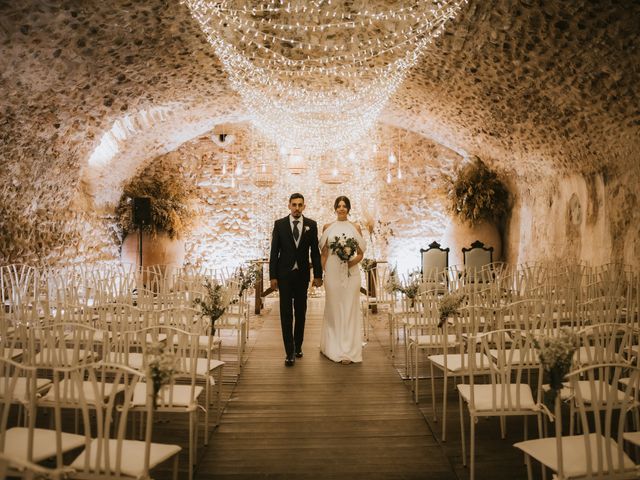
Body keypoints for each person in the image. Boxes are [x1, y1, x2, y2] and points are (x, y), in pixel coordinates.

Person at [269, 193, 323, 366]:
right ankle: (289, 352)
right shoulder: (279, 225)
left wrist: (318, 275)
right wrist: (273, 276)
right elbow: (274, 252)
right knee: (286, 314)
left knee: (301, 313)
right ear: (289, 206)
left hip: (302, 277)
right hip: (284, 276)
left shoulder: (311, 225)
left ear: (304, 207)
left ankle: (298, 346)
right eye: (294, 205)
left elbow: (315, 252)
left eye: (300, 205)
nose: (297, 208)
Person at [319, 196, 366, 364]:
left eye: (344, 206)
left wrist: (349, 262)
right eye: (338, 206)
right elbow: (324, 253)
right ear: (334, 208)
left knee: (349, 308)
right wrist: (320, 274)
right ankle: (332, 346)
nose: (341, 208)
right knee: (333, 308)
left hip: (351, 274)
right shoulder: (328, 227)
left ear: (349, 208)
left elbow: (361, 253)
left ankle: (348, 350)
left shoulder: (356, 228)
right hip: (332, 274)